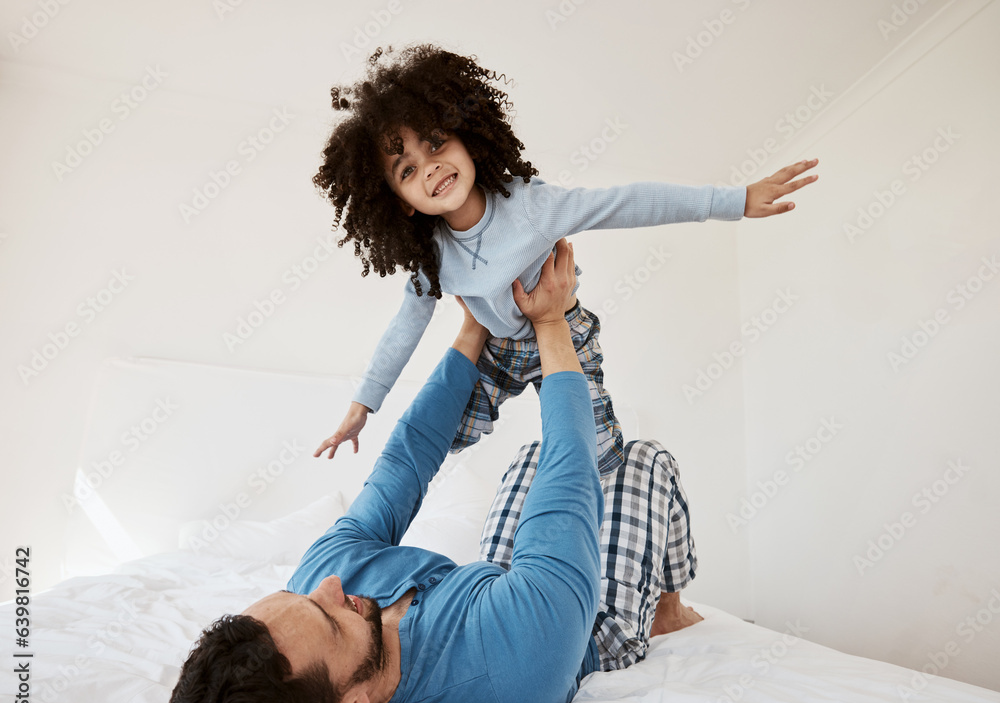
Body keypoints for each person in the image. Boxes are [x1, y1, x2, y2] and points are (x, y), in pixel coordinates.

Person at [165, 240, 703, 703]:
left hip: (495, 587)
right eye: (329, 619)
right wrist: (552, 322)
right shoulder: (513, 664)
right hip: (585, 624)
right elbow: (570, 476)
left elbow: (406, 462)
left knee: (528, 459)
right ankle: (667, 611)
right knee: (643, 462)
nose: (328, 587)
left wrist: (472, 327)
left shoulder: (320, 584)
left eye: (297, 596)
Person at [311, 44, 819, 475]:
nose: (431, 168)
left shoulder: (530, 205)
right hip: (498, 355)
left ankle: (638, 488)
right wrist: (363, 407)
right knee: (432, 441)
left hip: (563, 335)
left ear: (465, 136)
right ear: (400, 200)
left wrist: (732, 201)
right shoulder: (432, 256)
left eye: (437, 143)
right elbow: (405, 326)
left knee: (596, 455)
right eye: (406, 169)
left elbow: (623, 202)